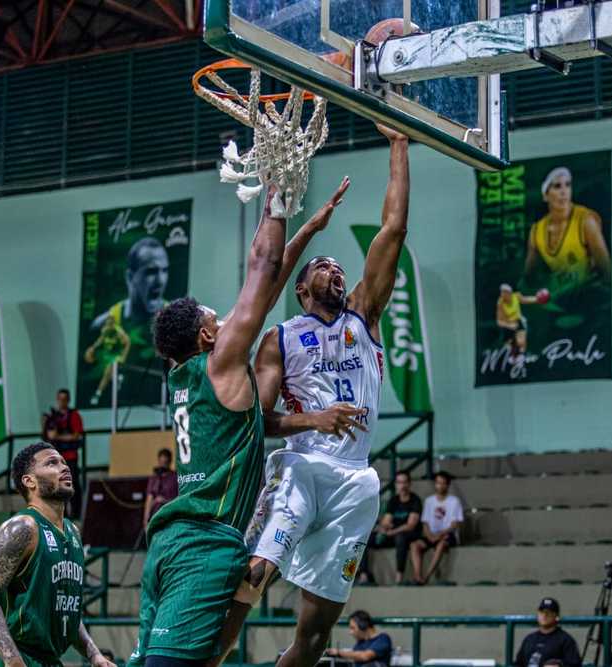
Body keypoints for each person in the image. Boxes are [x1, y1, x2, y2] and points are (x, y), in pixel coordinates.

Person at [128, 179, 349, 667]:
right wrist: (278, 194)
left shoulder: (186, 371)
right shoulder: (221, 364)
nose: (235, 320)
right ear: (209, 336)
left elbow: (265, 292)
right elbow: (262, 269)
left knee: (198, 658)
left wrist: (308, 229)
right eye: (221, 321)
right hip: (202, 541)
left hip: (171, 540)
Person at [223, 123, 410, 667]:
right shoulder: (279, 339)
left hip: (356, 480)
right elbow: (255, 422)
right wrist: (314, 420)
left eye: (337, 267)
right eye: (321, 267)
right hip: (301, 467)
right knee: (253, 579)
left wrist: (398, 143)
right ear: (301, 290)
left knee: (316, 635)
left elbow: (392, 229)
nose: (335, 269)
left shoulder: (363, 316)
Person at [0, 442, 115, 667]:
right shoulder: (23, 527)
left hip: (49, 660)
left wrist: (94, 654)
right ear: (29, 481)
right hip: (18, 656)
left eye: (64, 462)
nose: (64, 467)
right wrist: (13, 661)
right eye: (52, 463)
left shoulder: (72, 532)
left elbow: (66, 608)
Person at [524, 166, 611, 293]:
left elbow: (607, 273)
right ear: (546, 195)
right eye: (557, 186)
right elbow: (529, 277)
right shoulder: (536, 230)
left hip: (586, 297)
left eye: (568, 185)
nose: (564, 192)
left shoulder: (586, 221)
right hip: (557, 299)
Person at [90, 237, 170, 359]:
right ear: (130, 277)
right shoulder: (103, 324)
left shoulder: (175, 325)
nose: (160, 280)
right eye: (151, 271)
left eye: (164, 270)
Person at [358, 470, 422, 585]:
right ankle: (364, 574)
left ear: (409, 483)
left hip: (408, 535)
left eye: (404, 482)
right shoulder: (394, 500)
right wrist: (384, 527)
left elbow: (410, 525)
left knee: (400, 538)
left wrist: (392, 530)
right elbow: (386, 522)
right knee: (364, 539)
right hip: (392, 533)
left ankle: (399, 577)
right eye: (399, 482)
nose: (402, 485)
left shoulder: (415, 500)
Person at [410, 471, 464, 585]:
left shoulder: (454, 501)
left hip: (447, 535)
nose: (440, 485)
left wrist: (438, 535)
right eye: (438, 483)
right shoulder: (429, 501)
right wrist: (430, 535)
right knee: (414, 545)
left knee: (441, 544)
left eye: (443, 483)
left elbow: (455, 524)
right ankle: (417, 576)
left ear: (448, 485)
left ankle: (427, 576)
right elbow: (425, 523)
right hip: (431, 535)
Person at [42, 389, 85, 518]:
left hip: (70, 457)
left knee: (72, 485)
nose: (62, 402)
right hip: (55, 458)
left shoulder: (74, 415)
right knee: (57, 487)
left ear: (68, 400)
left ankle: (77, 513)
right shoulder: (53, 417)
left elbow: (76, 435)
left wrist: (58, 437)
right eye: (60, 399)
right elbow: (47, 436)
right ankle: (62, 514)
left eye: (64, 399)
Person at [514, 598, 581, 667]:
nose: (544, 615)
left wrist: (560, 665)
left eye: (549, 612)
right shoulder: (529, 639)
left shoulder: (565, 640)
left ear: (556, 616)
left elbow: (575, 664)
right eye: (542, 611)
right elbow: (518, 664)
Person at [84, 314, 131, 406]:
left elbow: (128, 343)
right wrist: (92, 348)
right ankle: (118, 378)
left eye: (110, 324)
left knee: (107, 373)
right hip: (108, 355)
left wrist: (124, 357)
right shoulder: (105, 330)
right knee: (108, 374)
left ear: (113, 324)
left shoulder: (119, 332)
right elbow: (100, 340)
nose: (109, 326)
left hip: (117, 355)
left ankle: (97, 394)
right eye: (107, 324)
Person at [496, 284, 549, 360]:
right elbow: (499, 321)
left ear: (510, 292)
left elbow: (524, 300)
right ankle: (512, 358)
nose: (503, 294)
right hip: (507, 324)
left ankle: (522, 356)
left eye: (505, 292)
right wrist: (509, 325)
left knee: (521, 342)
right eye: (502, 292)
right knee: (510, 346)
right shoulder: (500, 303)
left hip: (518, 321)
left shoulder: (516, 296)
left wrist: (537, 299)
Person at [324, 611, 392, 667]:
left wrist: (339, 652)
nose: (350, 632)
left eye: (353, 628)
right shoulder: (359, 644)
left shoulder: (383, 639)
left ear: (363, 625)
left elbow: (364, 656)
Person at [142, 449, 178, 531]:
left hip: (170, 516)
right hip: (156, 516)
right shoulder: (154, 478)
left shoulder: (175, 477)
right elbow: (149, 498)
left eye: (165, 462)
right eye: (161, 462)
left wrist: (165, 501)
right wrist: (145, 519)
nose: (163, 465)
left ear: (170, 462)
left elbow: (179, 498)